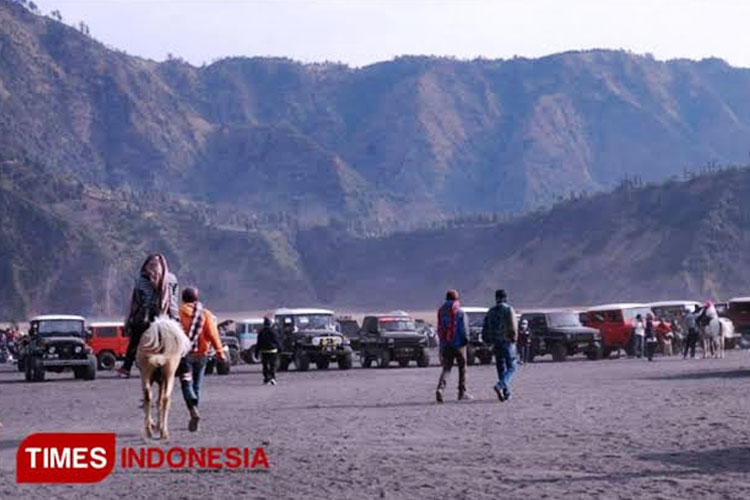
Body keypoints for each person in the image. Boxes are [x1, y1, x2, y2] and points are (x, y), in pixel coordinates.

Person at [118, 253, 180, 378]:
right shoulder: (141, 280)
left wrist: (173, 314)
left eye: (156, 265)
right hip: (146, 314)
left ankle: (181, 368)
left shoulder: (170, 279)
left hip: (166, 313)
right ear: (145, 266)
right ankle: (126, 367)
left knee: (177, 340)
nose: (153, 267)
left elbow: (173, 297)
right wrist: (131, 317)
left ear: (162, 265)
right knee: (135, 339)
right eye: (150, 264)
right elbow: (137, 299)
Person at [178, 286, 225, 432]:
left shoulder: (178, 313)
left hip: (185, 355)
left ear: (183, 298)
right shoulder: (205, 313)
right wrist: (220, 351)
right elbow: (212, 333)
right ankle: (195, 409)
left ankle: (192, 409)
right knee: (197, 385)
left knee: (187, 383)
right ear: (196, 299)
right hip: (202, 355)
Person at [482, 289, 518, 402]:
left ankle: (506, 393)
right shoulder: (508, 309)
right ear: (505, 298)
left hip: (495, 343)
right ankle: (500, 385)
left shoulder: (491, 311)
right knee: (512, 367)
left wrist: (487, 341)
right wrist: (514, 338)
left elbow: (485, 327)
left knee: (500, 368)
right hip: (507, 342)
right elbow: (513, 326)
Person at [435, 289, 472, 403]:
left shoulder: (441, 311)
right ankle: (462, 392)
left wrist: (442, 344)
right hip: (458, 344)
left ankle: (440, 389)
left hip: (446, 343)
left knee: (447, 368)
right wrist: (466, 341)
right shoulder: (460, 312)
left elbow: (439, 328)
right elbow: (464, 329)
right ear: (456, 299)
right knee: (462, 368)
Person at [256, 317, 280, 385]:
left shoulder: (261, 332)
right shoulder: (273, 332)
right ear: (270, 324)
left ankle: (266, 378)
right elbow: (277, 341)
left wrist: (256, 353)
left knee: (265, 366)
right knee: (272, 365)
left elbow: (258, 343)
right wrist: (280, 349)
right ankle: (272, 378)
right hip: (273, 351)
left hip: (264, 351)